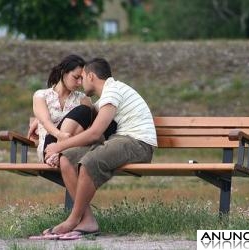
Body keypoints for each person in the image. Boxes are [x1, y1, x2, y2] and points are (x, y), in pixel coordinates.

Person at [41, 57, 157, 240]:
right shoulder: (107, 97)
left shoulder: (113, 91)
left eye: (83, 77)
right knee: (67, 159)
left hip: (138, 143)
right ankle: (87, 221)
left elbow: (95, 133)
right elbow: (82, 115)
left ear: (91, 76)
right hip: (120, 142)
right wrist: (40, 124)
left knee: (89, 161)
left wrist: (58, 146)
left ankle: (72, 220)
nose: (81, 82)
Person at [27, 54, 93, 163]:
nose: (79, 83)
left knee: (83, 111)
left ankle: (64, 155)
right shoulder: (41, 96)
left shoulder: (83, 99)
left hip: (73, 149)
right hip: (49, 148)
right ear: (63, 72)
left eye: (82, 79)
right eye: (76, 77)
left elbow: (91, 127)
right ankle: (56, 155)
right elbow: (45, 121)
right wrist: (60, 135)